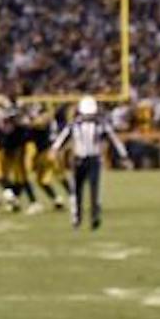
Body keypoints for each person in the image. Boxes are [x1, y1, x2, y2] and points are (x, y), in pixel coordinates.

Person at [51, 95, 129, 231]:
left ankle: (89, 218)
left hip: (89, 159)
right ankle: (80, 217)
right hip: (83, 160)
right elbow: (62, 138)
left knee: (91, 190)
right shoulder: (83, 124)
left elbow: (113, 139)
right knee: (80, 190)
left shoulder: (88, 124)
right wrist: (55, 149)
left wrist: (123, 155)